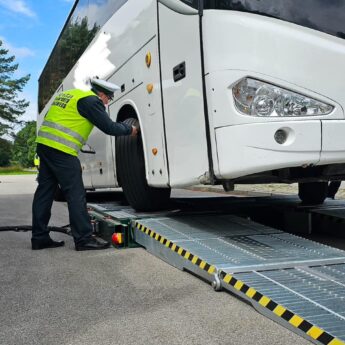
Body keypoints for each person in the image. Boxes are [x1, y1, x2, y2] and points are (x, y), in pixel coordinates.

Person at [32, 78, 138, 251]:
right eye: (108, 99)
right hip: (62, 150)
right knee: (75, 194)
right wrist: (130, 130)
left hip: (45, 146)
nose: (107, 103)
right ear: (102, 94)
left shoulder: (69, 94)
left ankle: (39, 237)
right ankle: (83, 239)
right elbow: (109, 127)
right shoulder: (91, 101)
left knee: (44, 192)